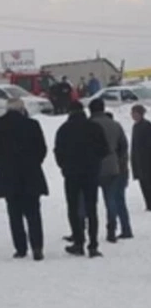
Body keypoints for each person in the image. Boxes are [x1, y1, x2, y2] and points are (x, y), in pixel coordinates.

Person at [0, 98, 48, 260]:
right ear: (22, 109)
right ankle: (37, 247)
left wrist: (2, 165)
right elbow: (42, 148)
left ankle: (20, 248)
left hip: (8, 176)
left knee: (14, 213)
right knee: (34, 213)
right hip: (31, 174)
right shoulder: (32, 125)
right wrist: (34, 163)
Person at [54, 100, 109, 257]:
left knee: (73, 208)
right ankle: (93, 244)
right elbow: (104, 149)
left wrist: (64, 166)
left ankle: (78, 242)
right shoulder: (94, 127)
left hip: (71, 173)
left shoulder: (64, 129)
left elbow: (58, 151)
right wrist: (94, 162)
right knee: (92, 209)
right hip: (91, 172)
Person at [90, 100, 132, 242]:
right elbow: (123, 146)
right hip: (112, 166)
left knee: (87, 200)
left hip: (92, 167)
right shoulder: (115, 125)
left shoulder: (89, 125)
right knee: (111, 200)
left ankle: (84, 229)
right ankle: (112, 229)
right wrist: (119, 161)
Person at [130, 104, 151, 211]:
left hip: (146, 160)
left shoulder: (147, 126)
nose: (133, 115)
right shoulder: (135, 126)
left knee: (148, 183)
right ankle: (148, 203)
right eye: (132, 113)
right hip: (138, 160)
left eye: (135, 113)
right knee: (143, 183)